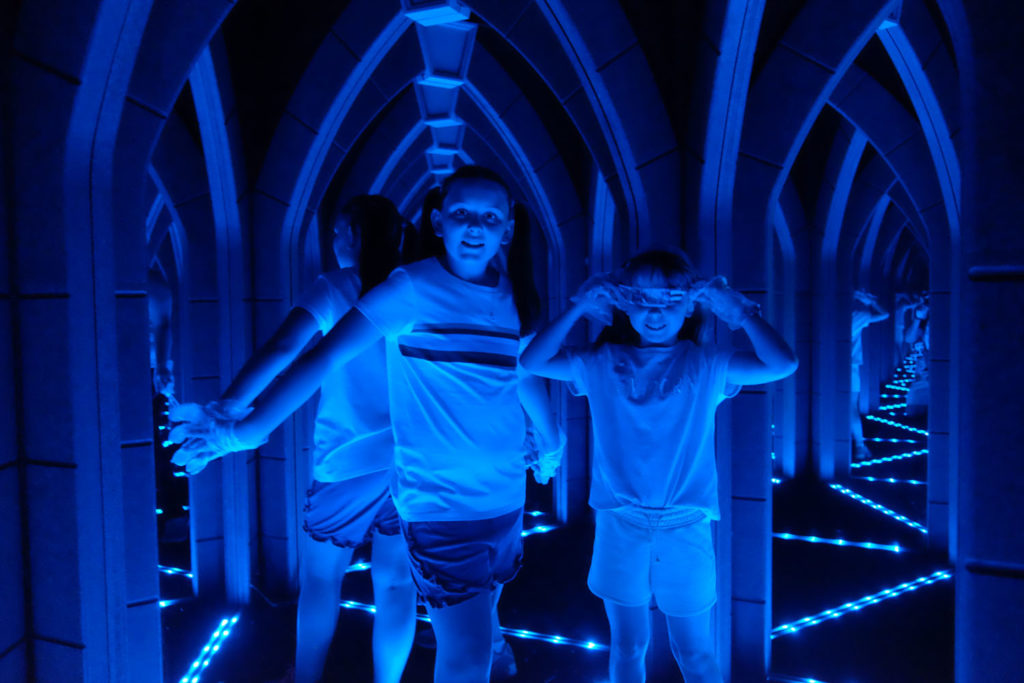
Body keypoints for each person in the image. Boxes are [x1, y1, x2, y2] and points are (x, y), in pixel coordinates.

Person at [170, 166, 561, 683]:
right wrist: (242, 428)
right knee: (460, 650)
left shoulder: (510, 294)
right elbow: (321, 357)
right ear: (437, 220)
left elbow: (519, 371)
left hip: (496, 496)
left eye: (490, 217)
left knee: (388, 600)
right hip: (434, 496)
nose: (475, 226)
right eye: (462, 212)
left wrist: (550, 440)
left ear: (508, 228)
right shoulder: (409, 288)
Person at [520, 249, 798, 683]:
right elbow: (531, 361)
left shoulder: (705, 363)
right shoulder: (601, 361)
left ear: (689, 306)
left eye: (669, 300)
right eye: (642, 299)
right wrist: (579, 305)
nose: (654, 312)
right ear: (624, 303)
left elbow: (782, 363)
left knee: (695, 653)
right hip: (620, 520)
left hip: (684, 523)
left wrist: (737, 309)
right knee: (628, 646)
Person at [177, 195, 417, 683]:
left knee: (322, 580)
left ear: (354, 235)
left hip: (345, 461)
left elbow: (284, 348)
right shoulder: (412, 289)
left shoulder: (337, 286)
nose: (334, 242)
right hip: (409, 460)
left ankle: (306, 678)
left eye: (338, 233)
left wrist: (229, 408)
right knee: (396, 584)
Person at [851, 290, 889, 458]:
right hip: (850, 366)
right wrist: (871, 301)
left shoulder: (828, 313)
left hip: (827, 365)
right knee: (851, 407)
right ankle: (859, 446)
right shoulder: (858, 315)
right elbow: (884, 314)